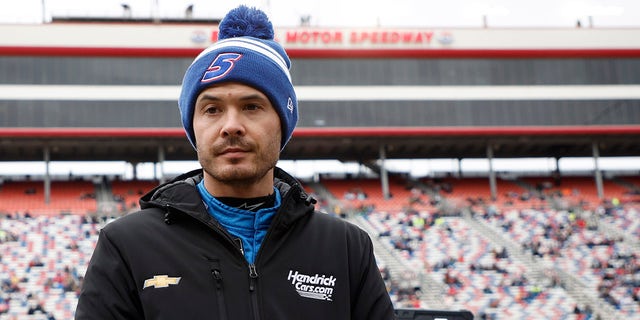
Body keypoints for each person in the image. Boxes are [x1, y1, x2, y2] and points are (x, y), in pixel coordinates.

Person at [75, 5, 395, 320]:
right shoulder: (126, 246)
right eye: (212, 109)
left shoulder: (345, 249)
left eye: (252, 106)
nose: (231, 125)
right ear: (193, 127)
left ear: (282, 122)